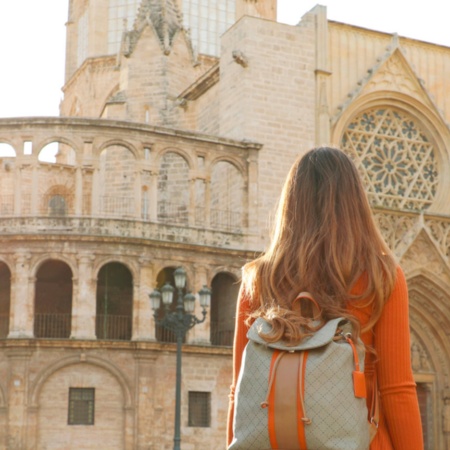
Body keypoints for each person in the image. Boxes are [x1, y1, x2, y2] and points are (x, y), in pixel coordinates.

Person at [227, 147, 423, 449]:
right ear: (355, 203)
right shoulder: (381, 276)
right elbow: (397, 391)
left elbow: (239, 391)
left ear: (291, 204)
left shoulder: (258, 279)